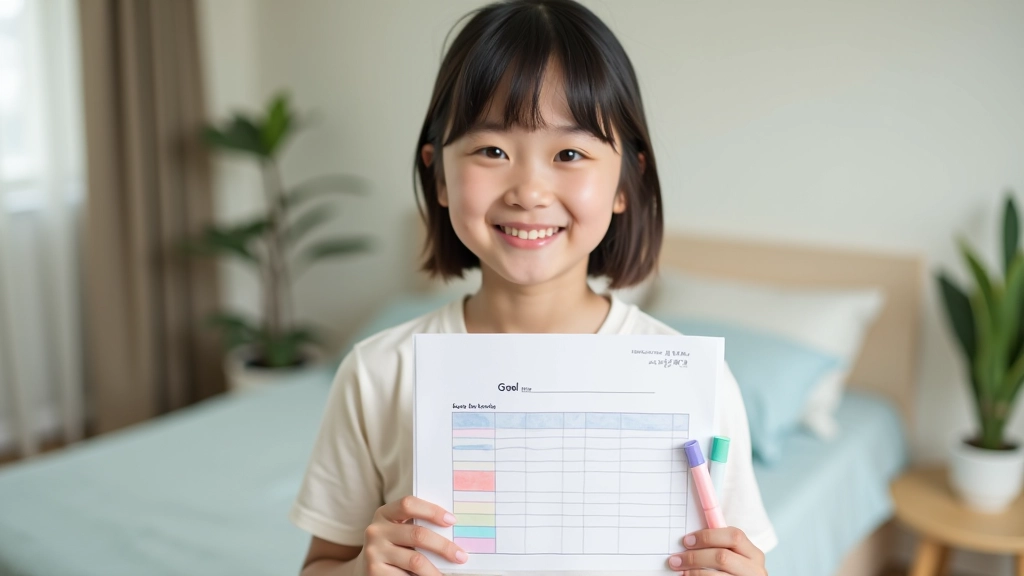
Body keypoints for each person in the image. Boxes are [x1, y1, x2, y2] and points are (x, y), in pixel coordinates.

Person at [291, 1, 777, 574]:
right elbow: (322, 564)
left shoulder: (699, 387)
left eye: (569, 153)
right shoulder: (377, 373)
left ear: (627, 181)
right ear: (438, 174)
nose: (529, 190)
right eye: (491, 150)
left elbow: (731, 555)